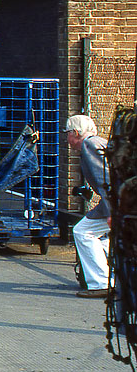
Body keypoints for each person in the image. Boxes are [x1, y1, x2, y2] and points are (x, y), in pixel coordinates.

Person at [65, 114, 111, 298]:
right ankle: (115, 278)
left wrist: (112, 212)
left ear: (76, 132)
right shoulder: (98, 142)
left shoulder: (89, 146)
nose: (67, 139)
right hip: (124, 200)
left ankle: (101, 283)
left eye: (67, 133)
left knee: (83, 232)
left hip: (119, 202)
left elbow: (106, 180)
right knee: (105, 237)